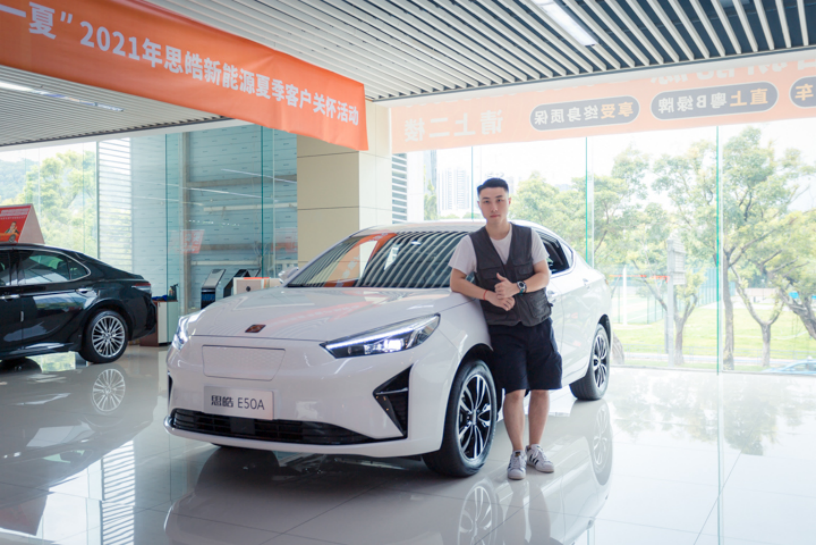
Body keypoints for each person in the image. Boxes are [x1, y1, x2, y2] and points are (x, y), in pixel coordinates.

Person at [448, 177, 562, 480]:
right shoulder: (471, 244)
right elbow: (456, 281)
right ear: (479, 206)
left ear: (509, 202)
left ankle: (535, 449)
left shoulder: (528, 236)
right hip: (504, 328)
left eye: (499, 200)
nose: (493, 206)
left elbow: (543, 275)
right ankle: (517, 453)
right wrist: (488, 295)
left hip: (538, 322)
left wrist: (517, 287)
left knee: (542, 387)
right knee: (514, 390)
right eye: (486, 201)